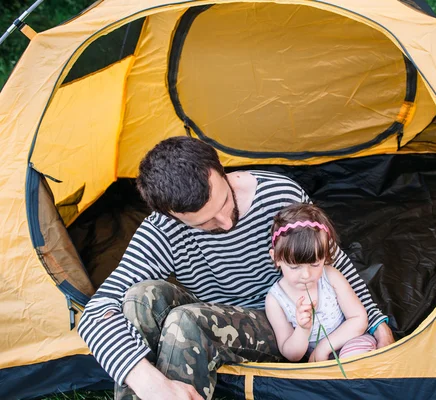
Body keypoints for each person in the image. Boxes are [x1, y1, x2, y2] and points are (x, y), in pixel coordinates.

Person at [78, 136, 394, 400]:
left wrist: (374, 318)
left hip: (280, 322)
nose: (227, 223)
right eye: (206, 223)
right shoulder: (160, 232)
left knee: (187, 321)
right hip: (213, 311)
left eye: (225, 202)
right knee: (140, 298)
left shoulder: (279, 195)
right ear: (171, 215)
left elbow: (329, 259)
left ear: (221, 170)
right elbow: (96, 313)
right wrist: (148, 380)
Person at [266, 203, 377, 363]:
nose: (306, 275)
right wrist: (303, 330)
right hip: (316, 363)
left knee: (352, 356)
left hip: (351, 342)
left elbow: (359, 319)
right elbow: (291, 354)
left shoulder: (330, 277)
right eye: (295, 267)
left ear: (325, 256)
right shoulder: (276, 299)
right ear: (276, 257)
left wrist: (324, 347)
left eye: (315, 264)